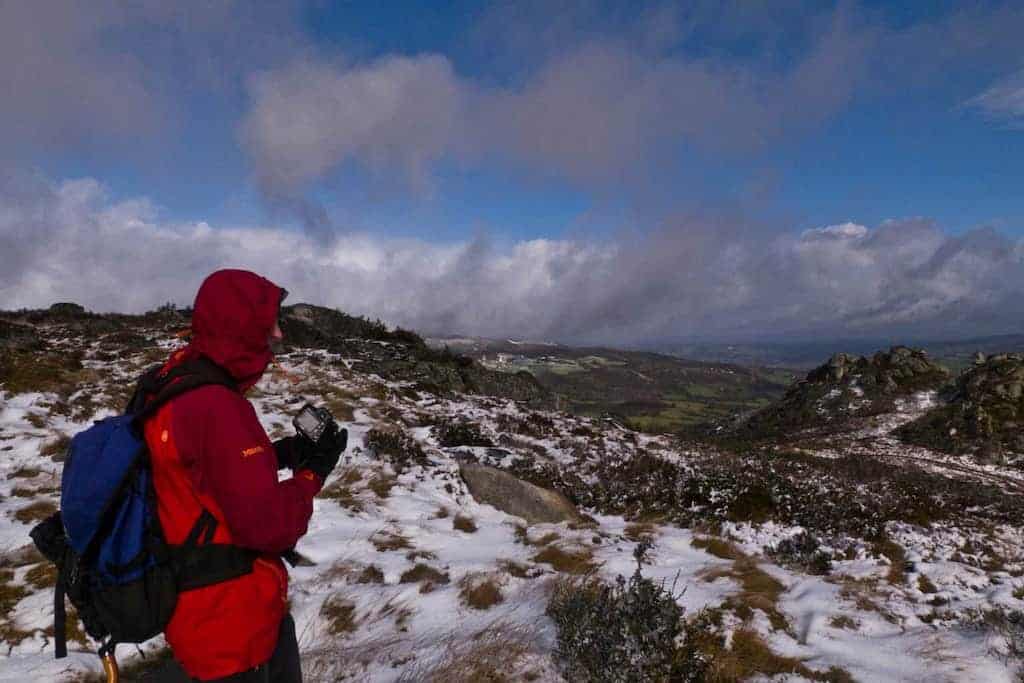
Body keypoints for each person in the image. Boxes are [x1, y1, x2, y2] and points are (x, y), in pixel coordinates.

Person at [142, 269, 344, 682]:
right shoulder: (217, 407)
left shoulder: (172, 382)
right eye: (270, 322)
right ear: (240, 325)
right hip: (230, 626)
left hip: (195, 608)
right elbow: (269, 528)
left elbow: (199, 471)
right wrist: (313, 473)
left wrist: (279, 454)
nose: (279, 334)